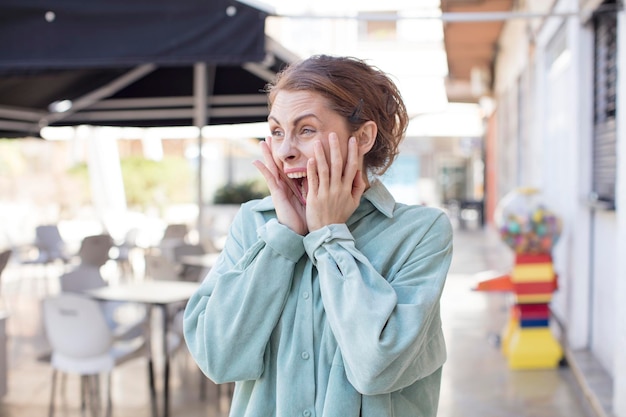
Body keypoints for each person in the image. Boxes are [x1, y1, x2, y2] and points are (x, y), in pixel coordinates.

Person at [184, 54, 453, 417]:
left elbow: (377, 367)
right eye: (277, 131)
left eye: (306, 130)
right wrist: (282, 240)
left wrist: (329, 236)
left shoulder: (420, 233)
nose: (284, 151)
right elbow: (218, 359)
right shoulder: (254, 223)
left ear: (362, 138)